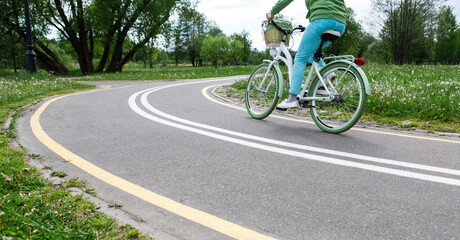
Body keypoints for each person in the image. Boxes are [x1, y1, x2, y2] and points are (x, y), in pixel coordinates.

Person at [266, 0, 347, 109]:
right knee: (310, 51)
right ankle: (327, 72)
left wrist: (272, 12)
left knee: (300, 58)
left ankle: (292, 99)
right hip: (341, 24)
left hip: (321, 20)